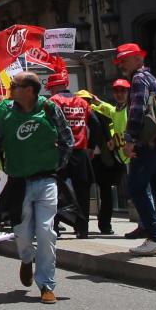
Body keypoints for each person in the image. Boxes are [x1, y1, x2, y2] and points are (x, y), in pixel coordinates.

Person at [0, 72, 73, 304]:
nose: (10, 89)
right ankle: (26, 258)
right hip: (18, 182)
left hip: (46, 180)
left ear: (30, 90)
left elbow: (67, 139)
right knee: (22, 233)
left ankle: (46, 284)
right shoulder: (4, 113)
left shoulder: (50, 109)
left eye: (15, 85)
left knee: (45, 231)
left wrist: (56, 165)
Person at [115, 43, 156, 257]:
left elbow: (137, 110)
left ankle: (155, 237)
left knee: (136, 188)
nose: (122, 64)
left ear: (137, 58)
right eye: (120, 61)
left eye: (125, 60)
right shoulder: (152, 78)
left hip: (148, 144)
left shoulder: (139, 79)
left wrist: (130, 139)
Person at [48, 71, 92, 240]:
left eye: (51, 88)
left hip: (60, 152)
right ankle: (83, 229)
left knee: (56, 190)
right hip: (81, 152)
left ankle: (56, 226)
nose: (51, 92)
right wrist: (92, 145)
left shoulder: (53, 102)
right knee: (83, 192)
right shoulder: (82, 102)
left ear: (55, 87)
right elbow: (93, 123)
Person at [77, 89, 121, 235]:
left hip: (101, 159)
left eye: (87, 100)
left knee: (106, 192)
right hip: (85, 159)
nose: (85, 104)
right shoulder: (74, 117)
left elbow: (114, 118)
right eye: (82, 100)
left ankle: (105, 225)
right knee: (82, 193)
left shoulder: (100, 116)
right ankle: (82, 226)